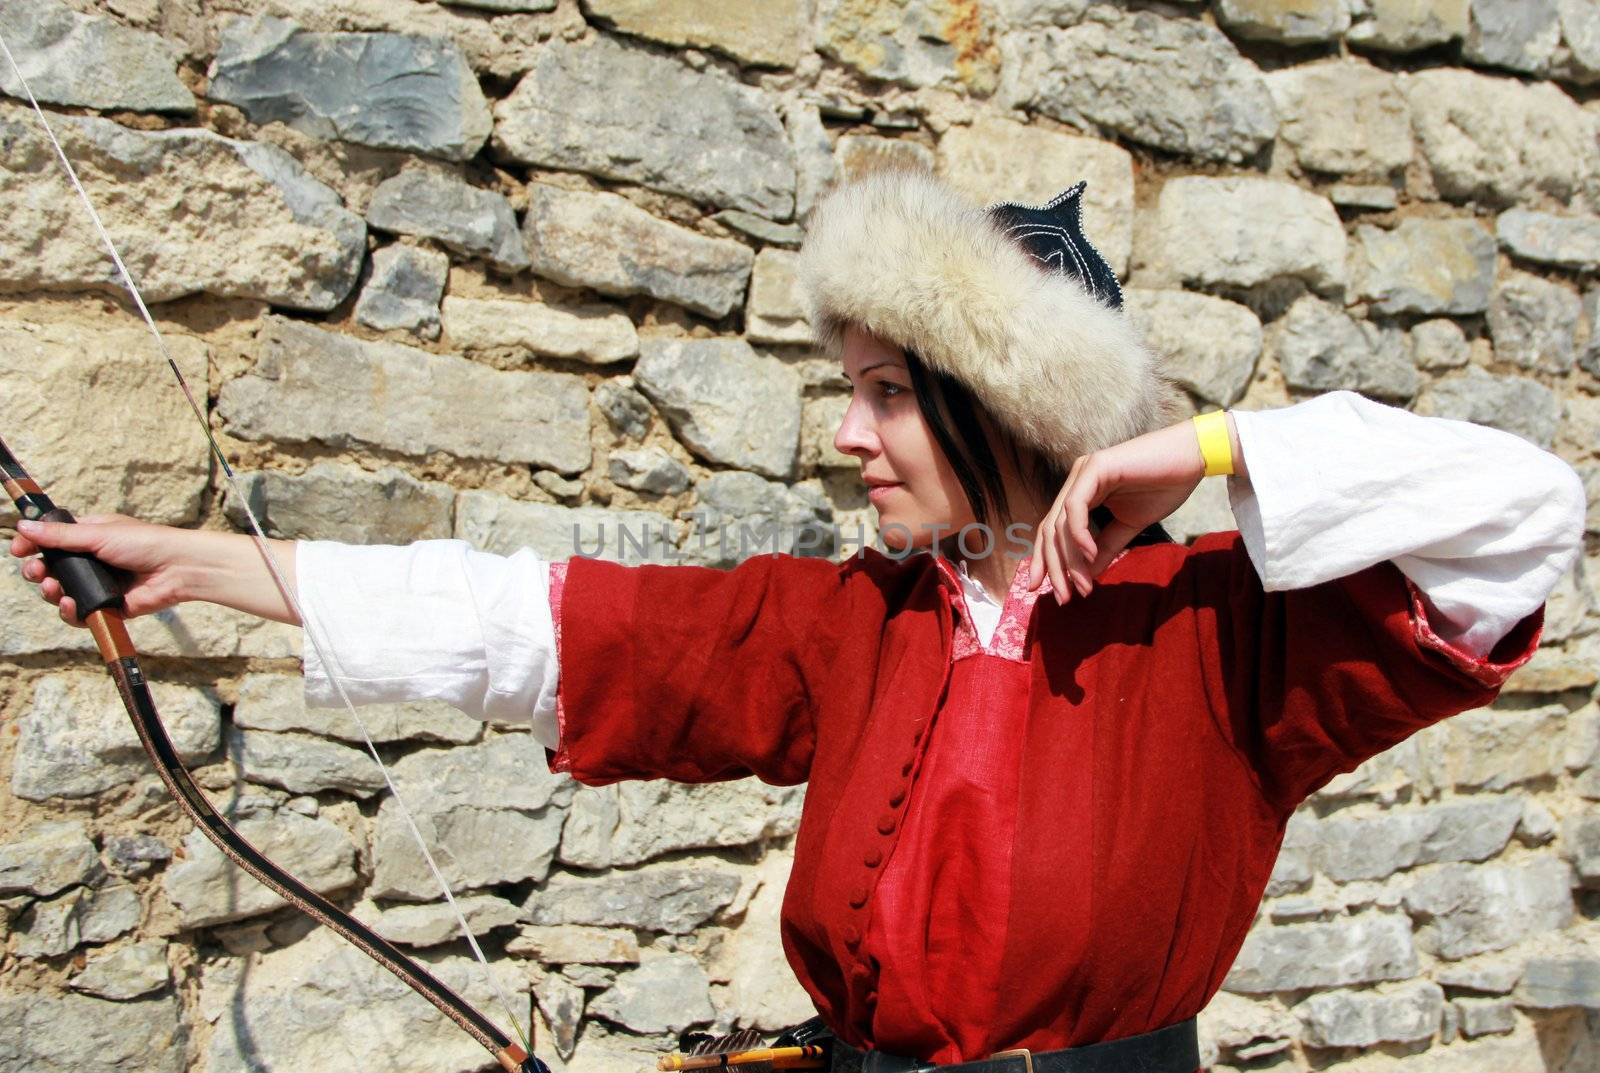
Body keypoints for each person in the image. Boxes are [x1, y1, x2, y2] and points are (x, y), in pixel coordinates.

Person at [9, 170, 1586, 1073]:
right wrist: (197, 566)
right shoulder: (853, 618)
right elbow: (548, 622)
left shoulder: (1223, 636)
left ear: (1013, 407)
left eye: (889, 395)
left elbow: (1524, 514)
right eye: (855, 391)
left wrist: (1210, 447)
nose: (848, 435)